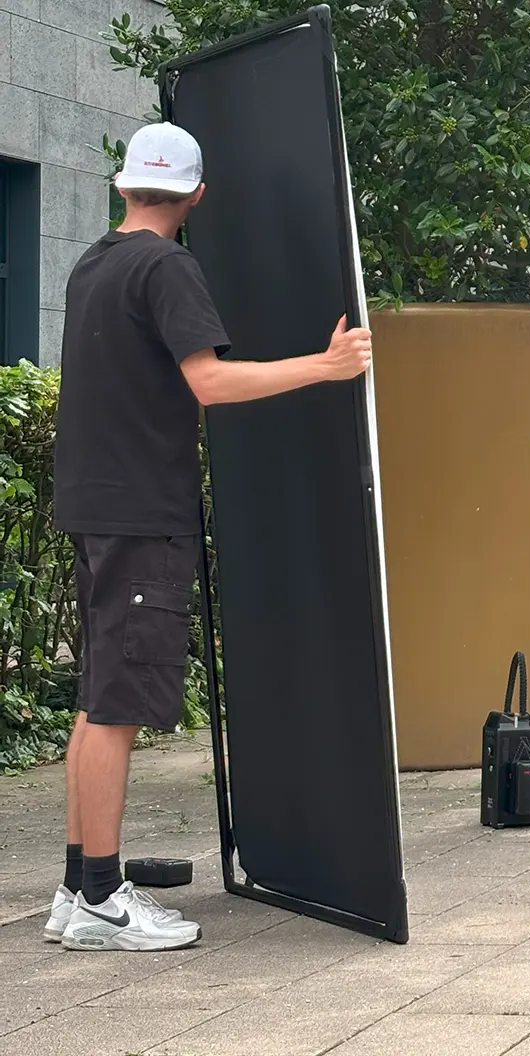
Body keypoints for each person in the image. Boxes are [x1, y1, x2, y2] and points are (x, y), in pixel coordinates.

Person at [45, 121, 374, 952]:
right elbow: (210, 381)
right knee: (116, 706)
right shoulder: (167, 265)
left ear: (124, 188)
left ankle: (77, 888)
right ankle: (100, 900)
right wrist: (325, 367)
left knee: (96, 699)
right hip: (140, 513)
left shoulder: (95, 263)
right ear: (197, 196)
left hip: (92, 504)